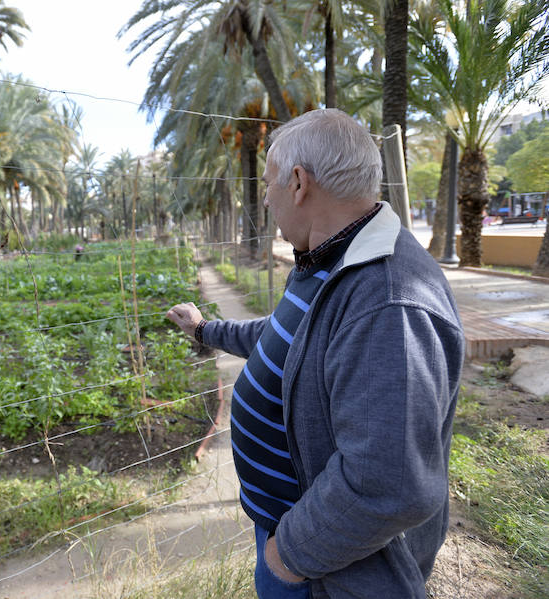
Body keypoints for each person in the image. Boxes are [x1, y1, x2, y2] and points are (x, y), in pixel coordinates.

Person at [166, 109, 464, 599]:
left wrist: (288, 556)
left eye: (268, 183)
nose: (265, 198)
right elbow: (288, 335)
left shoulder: (384, 298)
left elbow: (389, 484)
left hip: (331, 571)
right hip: (303, 546)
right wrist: (205, 330)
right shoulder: (334, 258)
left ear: (299, 182)